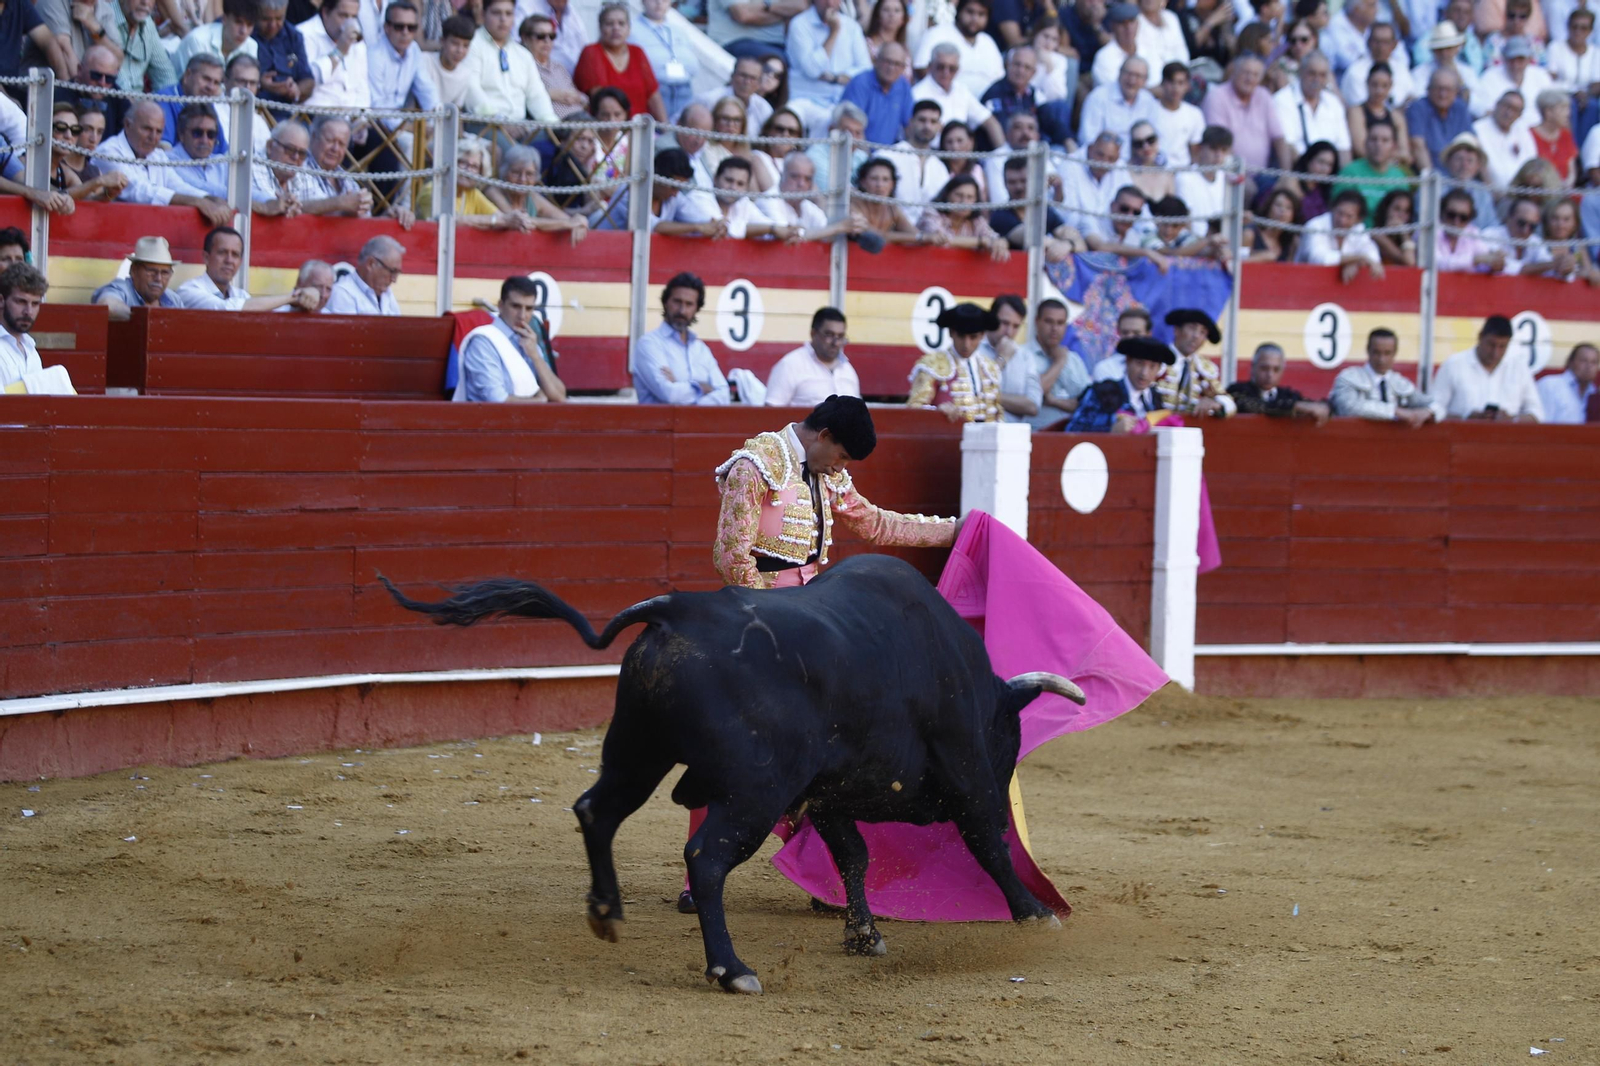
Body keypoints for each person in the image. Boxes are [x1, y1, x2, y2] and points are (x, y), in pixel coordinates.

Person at [709, 393, 957, 593]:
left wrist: (952, 531)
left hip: (810, 599)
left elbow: (874, 524)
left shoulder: (828, 475)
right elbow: (731, 556)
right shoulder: (754, 466)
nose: (839, 468)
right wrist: (764, 611)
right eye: (841, 456)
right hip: (762, 603)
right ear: (824, 435)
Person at [98, 101, 233, 226]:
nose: (153, 137)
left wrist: (210, 198)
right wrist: (197, 202)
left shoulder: (157, 155)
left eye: (159, 131)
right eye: (147, 129)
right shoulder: (109, 151)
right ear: (128, 125)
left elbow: (177, 185)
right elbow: (138, 190)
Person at [455, 275, 569, 403]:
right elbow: (497, 401)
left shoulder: (530, 342)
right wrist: (539, 400)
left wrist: (535, 356)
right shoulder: (483, 342)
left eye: (529, 308)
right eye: (516, 306)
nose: (522, 315)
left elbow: (560, 397)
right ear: (500, 305)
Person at [634, 273, 729, 405]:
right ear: (665, 302)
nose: (682, 310)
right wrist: (702, 388)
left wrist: (680, 385)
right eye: (677, 302)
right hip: (661, 419)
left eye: (689, 304)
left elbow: (724, 396)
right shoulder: (649, 344)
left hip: (698, 420)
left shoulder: (701, 349)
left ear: (697, 309)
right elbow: (669, 394)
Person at [173, 226, 317, 312]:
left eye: (235, 255)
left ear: (240, 262)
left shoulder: (240, 295)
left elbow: (272, 310)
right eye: (222, 252)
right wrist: (294, 297)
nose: (229, 260)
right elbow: (227, 309)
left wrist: (308, 296)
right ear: (206, 257)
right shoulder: (189, 290)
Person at [1429, 314, 1543, 421]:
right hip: (1461, 435)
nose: (1495, 353)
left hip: (1507, 435)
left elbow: (1536, 414)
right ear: (1480, 337)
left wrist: (1512, 419)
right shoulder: (1454, 365)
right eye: (1491, 345)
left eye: (1502, 346)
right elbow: (1434, 410)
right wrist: (1466, 419)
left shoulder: (1519, 368)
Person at [907, 302, 1004, 422]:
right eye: (961, 336)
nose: (966, 344)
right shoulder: (931, 365)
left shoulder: (990, 368)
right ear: (951, 333)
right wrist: (937, 412)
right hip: (945, 434)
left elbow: (998, 414)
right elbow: (914, 409)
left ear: (982, 335)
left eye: (973, 337)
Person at [463, 0, 557, 123]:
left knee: (562, 135)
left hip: (520, 125)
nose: (503, 19)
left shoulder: (523, 54)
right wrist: (498, 121)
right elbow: (470, 88)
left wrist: (551, 124)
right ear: (483, 14)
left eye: (508, 14)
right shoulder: (470, 45)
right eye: (496, 13)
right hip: (484, 124)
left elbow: (536, 94)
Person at [787, 0, 872, 133]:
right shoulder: (799, 24)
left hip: (842, 101)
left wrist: (837, 78)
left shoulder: (852, 26)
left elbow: (865, 69)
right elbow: (813, 69)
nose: (830, 3)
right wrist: (834, 32)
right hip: (806, 99)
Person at [1203, 52, 1294, 174]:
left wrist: (1286, 174)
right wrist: (1243, 177)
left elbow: (1279, 139)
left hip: (1262, 174)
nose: (1250, 79)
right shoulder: (1216, 96)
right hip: (1228, 174)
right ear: (1234, 72)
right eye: (1245, 72)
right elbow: (1220, 143)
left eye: (1255, 75)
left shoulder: (1264, 96)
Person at [574, 3, 667, 120]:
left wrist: (665, 126)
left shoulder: (637, 52)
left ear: (629, 28)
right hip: (609, 125)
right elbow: (601, 99)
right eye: (609, 24)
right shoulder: (591, 52)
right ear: (600, 27)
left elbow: (653, 94)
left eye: (621, 23)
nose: (616, 28)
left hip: (641, 126)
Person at [1329, 326, 1437, 426]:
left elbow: (1433, 404)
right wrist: (1395, 411)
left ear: (1394, 353)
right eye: (1377, 353)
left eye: (1387, 353)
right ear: (1368, 350)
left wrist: (1429, 411)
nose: (1382, 360)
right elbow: (1348, 408)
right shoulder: (1348, 378)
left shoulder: (1400, 383)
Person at [1066, 334, 1174, 432]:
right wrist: (1110, 429)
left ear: (1159, 368)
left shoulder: (1156, 399)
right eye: (1139, 363)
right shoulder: (1102, 393)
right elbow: (1073, 430)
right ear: (1128, 361)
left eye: (1152, 367)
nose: (1144, 373)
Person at [486, 146, 590, 244]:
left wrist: (580, 220)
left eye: (529, 174)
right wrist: (567, 224)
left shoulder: (532, 197)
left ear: (536, 177)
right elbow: (519, 221)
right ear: (504, 173)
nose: (522, 179)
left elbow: (564, 218)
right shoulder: (493, 192)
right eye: (516, 173)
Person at [912, 44, 1006, 147]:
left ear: (958, 70)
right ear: (930, 66)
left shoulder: (961, 90)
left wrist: (1002, 152)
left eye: (952, 68)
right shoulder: (917, 94)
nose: (946, 72)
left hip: (960, 152)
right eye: (940, 67)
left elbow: (990, 122)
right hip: (930, 151)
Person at [765, 307, 862, 406]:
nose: (835, 343)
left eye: (840, 336)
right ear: (813, 334)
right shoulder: (790, 365)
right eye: (829, 335)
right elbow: (771, 411)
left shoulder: (848, 371)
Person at [0, 264, 72, 395]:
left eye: (35, 304)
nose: (28, 311)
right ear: (1, 301)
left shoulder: (30, 348)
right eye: (21, 302)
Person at [1023, 298, 1092, 429]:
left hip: (1070, 435)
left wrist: (1053, 401)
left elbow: (1087, 404)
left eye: (1060, 323)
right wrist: (1059, 362)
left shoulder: (1074, 360)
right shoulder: (1023, 355)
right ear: (1037, 322)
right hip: (1035, 434)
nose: (1054, 329)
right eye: (1049, 322)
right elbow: (1033, 395)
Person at [915, 0, 1005, 100]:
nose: (975, 19)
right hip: (944, 101)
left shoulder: (988, 42)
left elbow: (1000, 79)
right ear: (959, 11)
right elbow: (921, 69)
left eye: (981, 14)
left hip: (984, 104)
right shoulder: (937, 33)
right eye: (970, 12)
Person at [1274, 51, 1352, 161]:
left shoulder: (1334, 103)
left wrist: (1344, 172)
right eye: (1312, 74)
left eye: (1322, 75)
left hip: (1330, 169)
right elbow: (1288, 145)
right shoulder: (1282, 100)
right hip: (1297, 168)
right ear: (1301, 72)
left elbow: (1343, 148)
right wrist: (1310, 169)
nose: (1317, 80)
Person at [1226, 343, 1332, 423]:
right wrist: (1296, 406)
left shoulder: (1287, 395)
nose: (1270, 374)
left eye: (1276, 369)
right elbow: (1260, 406)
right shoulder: (1237, 391)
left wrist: (1324, 407)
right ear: (1253, 368)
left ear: (1282, 371)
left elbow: (1314, 404)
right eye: (1264, 368)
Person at [1157, 307, 1235, 417]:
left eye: (1202, 332)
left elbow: (1228, 402)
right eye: (1192, 328)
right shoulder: (1156, 358)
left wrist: (1215, 403)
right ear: (1177, 330)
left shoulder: (1203, 367)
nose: (1196, 336)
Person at [630, 0, 698, 122]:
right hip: (655, 92)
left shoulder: (678, 30)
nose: (659, 3)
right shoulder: (632, 30)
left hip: (684, 90)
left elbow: (693, 64)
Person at [295, 0, 369, 110]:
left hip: (352, 115)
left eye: (354, 17)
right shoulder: (303, 35)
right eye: (343, 16)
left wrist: (361, 117)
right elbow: (306, 82)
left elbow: (362, 89)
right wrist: (339, 52)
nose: (349, 23)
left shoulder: (357, 42)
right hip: (315, 114)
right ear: (325, 13)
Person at [882, 99, 949, 221]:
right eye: (922, 120)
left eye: (933, 121)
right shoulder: (888, 156)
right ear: (911, 122)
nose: (927, 126)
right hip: (891, 228)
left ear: (940, 126)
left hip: (931, 231)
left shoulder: (941, 169)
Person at [917, 173, 1011, 259]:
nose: (964, 202)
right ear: (947, 195)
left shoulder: (976, 221)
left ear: (975, 201)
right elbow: (942, 241)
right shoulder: (931, 213)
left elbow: (993, 238)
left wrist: (1000, 243)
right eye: (959, 195)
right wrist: (981, 241)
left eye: (969, 197)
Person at [1300, 188, 1384, 283]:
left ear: (1359, 219)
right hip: (1305, 282)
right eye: (1340, 213)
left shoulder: (1358, 228)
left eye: (1349, 216)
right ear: (1332, 209)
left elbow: (1372, 254)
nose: (1342, 220)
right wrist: (1358, 258)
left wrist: (1355, 263)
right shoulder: (1315, 225)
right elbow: (1318, 259)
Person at [1078, 54, 1160, 150]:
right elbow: (1088, 139)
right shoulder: (1099, 97)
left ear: (1145, 80)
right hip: (1105, 157)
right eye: (1129, 74)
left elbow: (1155, 138)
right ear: (1120, 73)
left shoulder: (1148, 101)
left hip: (1139, 157)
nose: (1132, 80)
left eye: (1138, 76)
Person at [92, 235, 182, 321]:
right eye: (151, 271)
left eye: (165, 272)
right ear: (133, 271)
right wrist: (143, 318)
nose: (158, 278)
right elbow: (107, 305)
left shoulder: (173, 299)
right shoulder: (121, 289)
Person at [841, 40, 913, 144]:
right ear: (876, 60)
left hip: (889, 151)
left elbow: (909, 125)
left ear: (903, 68)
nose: (891, 68)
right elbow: (851, 127)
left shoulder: (903, 86)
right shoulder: (860, 83)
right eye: (887, 61)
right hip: (858, 148)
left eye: (897, 64)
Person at [1333, 120, 1410, 216]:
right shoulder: (1349, 172)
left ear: (1394, 146)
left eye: (1385, 140)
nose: (1378, 145)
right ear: (1365, 143)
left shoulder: (1399, 178)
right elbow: (1337, 211)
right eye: (1373, 139)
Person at [1406, 66, 1473, 170]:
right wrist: (1430, 176)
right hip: (1429, 172)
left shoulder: (1460, 108)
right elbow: (1418, 146)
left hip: (1458, 172)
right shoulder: (1418, 108)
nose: (1443, 94)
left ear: (1456, 92)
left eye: (1448, 90)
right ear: (1428, 89)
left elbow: (1471, 144)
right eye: (1438, 89)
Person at [167, 104, 234, 200]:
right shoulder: (168, 161)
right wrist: (241, 198)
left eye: (211, 134)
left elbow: (246, 189)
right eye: (197, 133)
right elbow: (200, 188)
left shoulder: (221, 164)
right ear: (181, 135)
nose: (205, 140)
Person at [252, 0, 313, 105]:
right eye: (266, 19)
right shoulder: (244, 34)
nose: (272, 25)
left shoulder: (294, 36)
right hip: (253, 106)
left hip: (286, 109)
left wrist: (295, 90)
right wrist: (259, 83)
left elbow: (308, 80)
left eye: (279, 18)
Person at [326, 236, 405, 316]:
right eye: (392, 271)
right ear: (371, 264)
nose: (394, 279)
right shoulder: (342, 293)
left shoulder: (386, 292)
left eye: (397, 273)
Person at [697, 56, 775, 136]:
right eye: (743, 75)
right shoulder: (709, 100)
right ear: (732, 76)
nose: (747, 82)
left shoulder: (764, 109)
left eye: (752, 78)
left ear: (759, 83)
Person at [106, 0, 174, 92]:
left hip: (137, 98)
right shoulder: (104, 16)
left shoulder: (147, 22)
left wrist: (169, 99)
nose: (145, 2)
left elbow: (166, 76)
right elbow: (119, 85)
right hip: (113, 98)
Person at [1435, 186, 1507, 272]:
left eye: (1463, 217)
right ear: (1441, 212)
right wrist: (1474, 260)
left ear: (1469, 219)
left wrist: (1494, 263)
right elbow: (1437, 263)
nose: (1456, 221)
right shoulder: (1429, 231)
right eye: (1451, 215)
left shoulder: (1472, 232)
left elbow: (1483, 263)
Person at [176, 0, 259, 70]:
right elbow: (193, 81)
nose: (243, 31)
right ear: (224, 19)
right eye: (238, 22)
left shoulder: (251, 46)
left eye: (249, 25)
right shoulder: (198, 40)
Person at [1150, 62, 1205, 166]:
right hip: (1153, 169)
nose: (1175, 88)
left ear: (1187, 86)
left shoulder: (1195, 114)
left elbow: (1195, 152)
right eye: (1171, 82)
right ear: (1162, 83)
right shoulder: (1148, 110)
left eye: (1180, 83)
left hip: (1183, 170)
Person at [1535, 343, 1599, 424]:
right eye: (1583, 360)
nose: (1589, 366)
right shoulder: (1550, 385)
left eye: (1594, 362)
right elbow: (1540, 424)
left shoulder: (1595, 393)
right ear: (1570, 362)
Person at [1090, 304, 1154, 381]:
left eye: (1136, 333)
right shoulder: (1105, 368)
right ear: (1118, 333)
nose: (1130, 337)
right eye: (1125, 332)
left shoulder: (1162, 370)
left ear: (1148, 334)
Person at [1529, 89, 1579, 185]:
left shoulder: (1566, 135)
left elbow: (1571, 173)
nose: (1568, 113)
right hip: (1539, 190)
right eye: (1563, 108)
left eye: (1568, 108)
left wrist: (1565, 187)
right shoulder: (1530, 135)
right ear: (1548, 112)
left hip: (1565, 190)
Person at [1090, 2, 1144, 90]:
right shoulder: (1104, 56)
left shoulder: (1147, 49)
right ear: (1113, 26)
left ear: (1138, 24)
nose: (1128, 28)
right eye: (1122, 23)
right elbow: (1120, 91)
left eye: (1131, 21)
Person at [427, 14, 474, 109]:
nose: (460, 50)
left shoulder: (466, 73)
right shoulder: (426, 61)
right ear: (442, 41)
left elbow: (456, 110)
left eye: (466, 45)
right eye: (455, 43)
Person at [1245, 186, 1304, 262]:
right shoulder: (1250, 234)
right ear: (1269, 207)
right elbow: (1237, 264)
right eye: (1278, 205)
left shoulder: (1292, 243)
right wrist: (1261, 258)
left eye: (1288, 208)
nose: (1282, 211)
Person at [1370, 187, 1418, 265]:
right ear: (1386, 209)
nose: (1401, 215)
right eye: (1397, 209)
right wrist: (1404, 232)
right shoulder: (1377, 234)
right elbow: (1409, 261)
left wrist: (1404, 233)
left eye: (1406, 211)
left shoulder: (1413, 235)